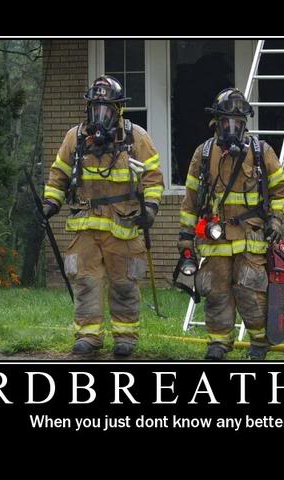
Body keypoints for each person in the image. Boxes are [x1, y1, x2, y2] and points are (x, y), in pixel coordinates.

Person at [42, 75, 164, 358]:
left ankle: (125, 338)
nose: (100, 114)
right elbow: (59, 174)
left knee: (124, 284)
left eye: (106, 108)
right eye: (95, 108)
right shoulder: (75, 137)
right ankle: (88, 337)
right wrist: (50, 203)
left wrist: (150, 209)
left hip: (124, 226)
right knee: (86, 281)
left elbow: (153, 177)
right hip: (85, 226)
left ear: (118, 110)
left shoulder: (136, 138)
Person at [178, 88, 284, 360]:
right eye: (226, 122)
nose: (231, 128)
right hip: (214, 240)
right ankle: (218, 343)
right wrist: (185, 236)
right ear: (216, 123)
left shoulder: (261, 152)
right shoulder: (204, 153)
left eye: (237, 123)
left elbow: (281, 191)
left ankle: (259, 343)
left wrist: (275, 220)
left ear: (244, 124)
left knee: (250, 290)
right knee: (216, 291)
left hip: (250, 238)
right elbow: (191, 199)